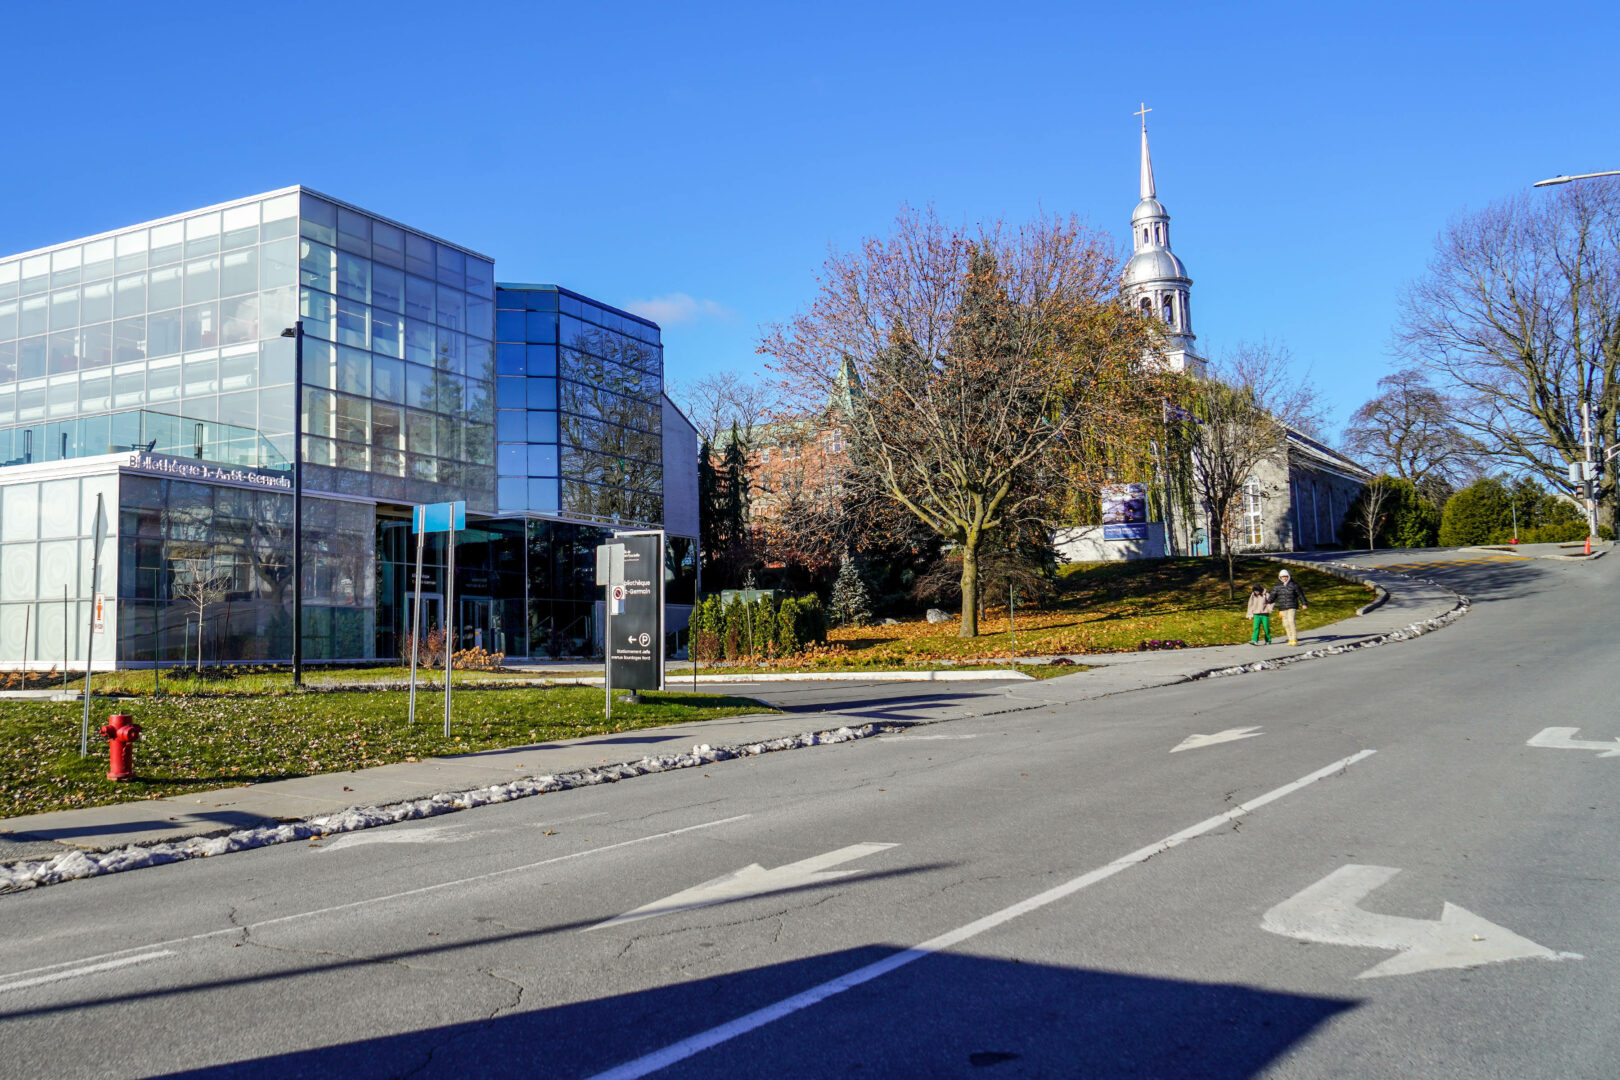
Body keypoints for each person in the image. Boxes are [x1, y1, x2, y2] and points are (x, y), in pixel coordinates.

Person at [1271, 569, 1308, 646]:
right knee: (1285, 624)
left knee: (1291, 621)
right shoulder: (1277, 586)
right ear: (1280, 577)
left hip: (1292, 606)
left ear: (1289, 576)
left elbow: (1301, 595)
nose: (1284, 578)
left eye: (1285, 576)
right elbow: (1272, 596)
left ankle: (1294, 638)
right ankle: (1290, 638)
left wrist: (1304, 603)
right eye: (1282, 577)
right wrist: (1267, 603)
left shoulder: (1294, 585)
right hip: (1282, 607)